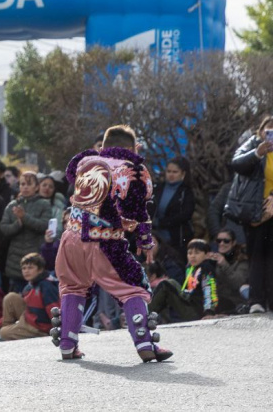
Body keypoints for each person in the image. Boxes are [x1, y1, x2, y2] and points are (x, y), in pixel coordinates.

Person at [54, 125, 172, 362]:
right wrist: (145, 240)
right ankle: (145, 342)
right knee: (133, 287)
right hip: (105, 241)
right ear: (133, 147)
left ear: (104, 146)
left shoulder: (85, 160)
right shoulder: (134, 170)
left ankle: (67, 344)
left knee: (73, 287)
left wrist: (101, 154)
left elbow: (70, 173)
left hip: (71, 237)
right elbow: (138, 210)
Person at [228, 116, 273, 314]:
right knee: (257, 255)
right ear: (261, 131)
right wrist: (257, 153)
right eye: (268, 129)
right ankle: (257, 300)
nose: (270, 134)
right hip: (257, 210)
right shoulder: (253, 144)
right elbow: (236, 164)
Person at [0, 172, 52, 293]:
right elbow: (4, 228)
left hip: (35, 257)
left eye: (29, 184)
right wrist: (18, 224)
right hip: (15, 261)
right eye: (22, 184)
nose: (25, 187)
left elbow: (44, 225)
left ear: (36, 187)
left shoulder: (44, 204)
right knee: (15, 299)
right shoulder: (12, 205)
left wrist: (24, 217)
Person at [0, 253, 59, 341]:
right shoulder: (30, 285)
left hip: (40, 328)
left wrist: (57, 331)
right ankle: (6, 332)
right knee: (11, 298)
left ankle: (5, 336)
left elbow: (54, 310)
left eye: (30, 268)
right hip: (29, 318)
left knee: (4, 332)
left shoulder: (46, 286)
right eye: (24, 268)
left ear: (40, 270)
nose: (26, 271)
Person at [148, 239, 218, 323]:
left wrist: (209, 312)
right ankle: (150, 316)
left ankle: (143, 314)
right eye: (190, 253)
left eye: (197, 253)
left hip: (198, 311)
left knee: (166, 285)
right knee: (169, 285)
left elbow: (209, 290)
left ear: (206, 255)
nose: (193, 256)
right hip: (190, 306)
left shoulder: (207, 268)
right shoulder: (190, 268)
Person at [152, 157, 195, 250]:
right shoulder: (157, 188)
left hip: (175, 237)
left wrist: (162, 223)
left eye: (175, 172)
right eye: (169, 171)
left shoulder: (186, 192)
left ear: (183, 173)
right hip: (154, 233)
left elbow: (186, 214)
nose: (171, 175)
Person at [209, 229, 249, 314]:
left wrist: (224, 265)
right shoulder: (215, 257)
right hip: (218, 299)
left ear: (233, 242)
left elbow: (238, 283)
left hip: (236, 302)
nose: (221, 244)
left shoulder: (242, 259)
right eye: (218, 241)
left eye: (226, 241)